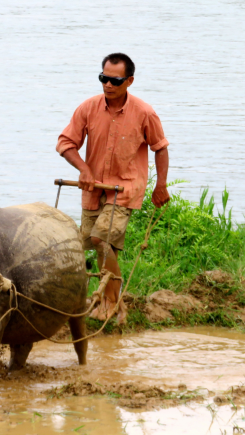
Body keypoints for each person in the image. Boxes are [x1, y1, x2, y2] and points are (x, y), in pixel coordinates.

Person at [56, 53, 170, 324]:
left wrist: (161, 185)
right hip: (93, 188)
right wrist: (83, 169)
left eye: (115, 80)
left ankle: (113, 303)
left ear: (129, 81)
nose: (108, 85)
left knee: (101, 239)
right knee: (95, 245)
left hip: (126, 188)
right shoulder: (88, 108)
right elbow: (65, 143)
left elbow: (160, 148)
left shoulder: (144, 112)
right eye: (103, 78)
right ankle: (108, 300)